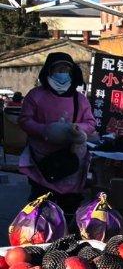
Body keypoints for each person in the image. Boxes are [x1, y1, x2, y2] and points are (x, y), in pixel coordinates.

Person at [18, 52, 97, 219]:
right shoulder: (35, 95)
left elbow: (90, 123)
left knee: (69, 208)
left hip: (72, 161)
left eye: (66, 69)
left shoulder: (80, 99)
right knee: (40, 207)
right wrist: (44, 130)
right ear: (48, 71)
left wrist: (77, 130)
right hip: (42, 161)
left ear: (72, 73)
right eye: (58, 69)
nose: (62, 73)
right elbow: (24, 120)